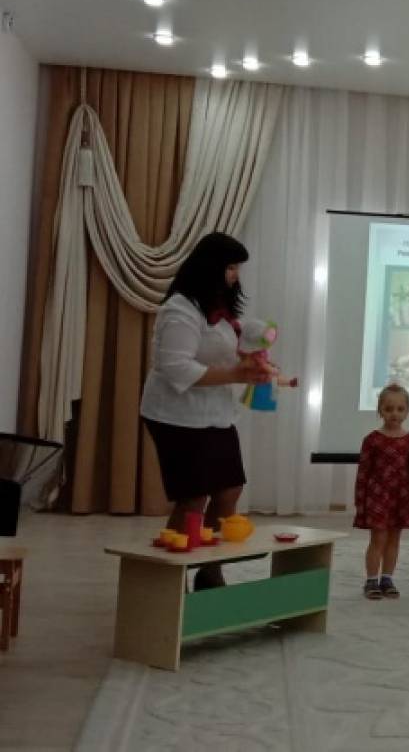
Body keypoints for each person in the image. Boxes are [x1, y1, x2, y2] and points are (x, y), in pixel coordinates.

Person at [140, 232, 272, 591]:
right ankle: (168, 580)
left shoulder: (218, 306)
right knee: (194, 496)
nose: (235, 275)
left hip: (215, 412)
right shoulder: (179, 309)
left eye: (237, 268)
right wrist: (235, 374)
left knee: (229, 490)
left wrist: (254, 357)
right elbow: (176, 368)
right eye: (231, 267)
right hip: (175, 415)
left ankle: (210, 570)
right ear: (210, 267)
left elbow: (225, 345)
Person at [354, 384, 409, 600]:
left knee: (394, 540)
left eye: (400, 409)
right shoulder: (372, 439)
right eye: (389, 408)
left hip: (401, 497)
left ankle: (387, 578)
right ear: (380, 410)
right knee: (378, 539)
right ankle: (371, 580)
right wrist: (360, 501)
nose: (394, 413)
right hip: (378, 498)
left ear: (407, 411)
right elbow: (363, 472)